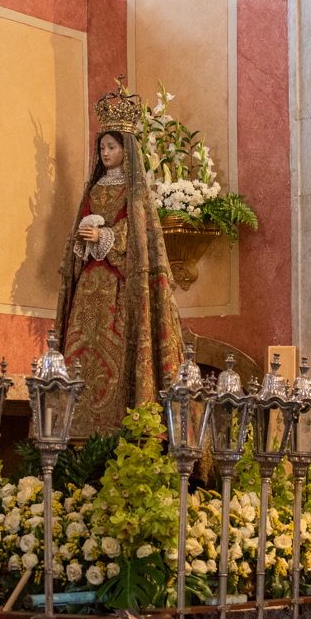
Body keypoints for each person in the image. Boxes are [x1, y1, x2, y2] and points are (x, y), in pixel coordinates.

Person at [54, 90, 184, 436]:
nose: (106, 153)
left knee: (120, 356)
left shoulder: (135, 189)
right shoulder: (93, 188)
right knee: (81, 355)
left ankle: (123, 427)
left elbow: (140, 237)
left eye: (112, 147)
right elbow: (79, 230)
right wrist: (83, 239)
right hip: (89, 288)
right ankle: (77, 432)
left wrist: (107, 237)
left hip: (120, 289)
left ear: (127, 149)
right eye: (102, 148)